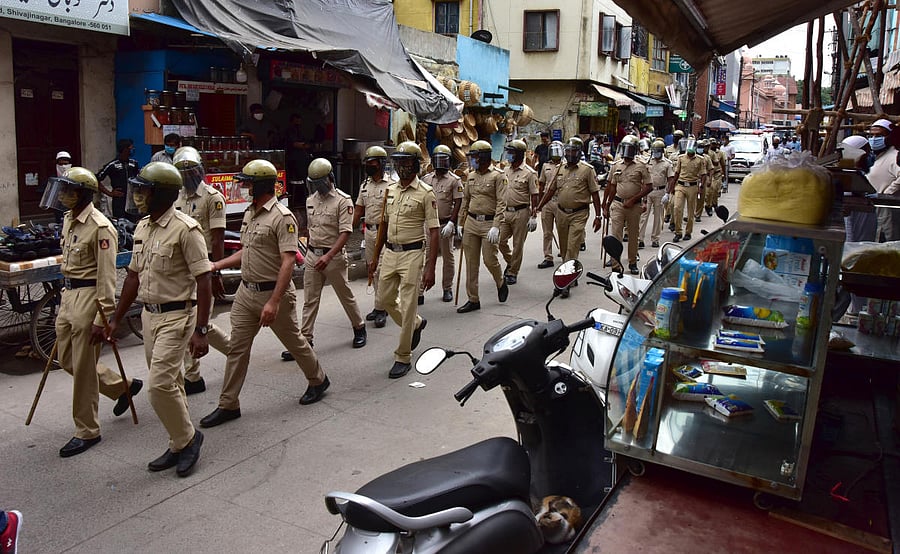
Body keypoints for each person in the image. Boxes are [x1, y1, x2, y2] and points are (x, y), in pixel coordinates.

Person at [201, 159, 331, 428]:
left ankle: (318, 380)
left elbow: (287, 261)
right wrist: (217, 264)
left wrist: (273, 302)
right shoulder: (250, 213)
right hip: (246, 293)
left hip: (274, 295)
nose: (244, 187)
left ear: (260, 185)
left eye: (248, 183)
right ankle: (228, 404)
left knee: (294, 342)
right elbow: (246, 252)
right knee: (237, 348)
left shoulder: (282, 218)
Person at [108, 162, 210, 477]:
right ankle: (178, 440)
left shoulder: (186, 229)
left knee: (158, 386)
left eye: (143, 191)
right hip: (150, 319)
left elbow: (204, 282)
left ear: (162, 194)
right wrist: (116, 318)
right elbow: (133, 277)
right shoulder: (142, 227)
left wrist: (201, 330)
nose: (137, 196)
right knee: (172, 383)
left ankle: (190, 439)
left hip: (178, 316)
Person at [38, 167, 142, 458]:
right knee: (67, 359)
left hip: (88, 298)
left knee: (83, 369)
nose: (64, 195)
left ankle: (87, 430)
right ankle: (123, 387)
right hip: (68, 295)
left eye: (69, 190)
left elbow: (107, 277)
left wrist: (103, 318)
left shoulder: (100, 226)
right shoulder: (69, 219)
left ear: (83, 193)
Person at [370, 142, 439, 378]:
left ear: (416, 164)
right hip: (390, 253)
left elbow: (434, 231)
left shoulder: (425, 193)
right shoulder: (391, 190)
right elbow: (383, 225)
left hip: (412, 254)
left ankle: (403, 355)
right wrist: (375, 256)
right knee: (385, 299)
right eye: (398, 162)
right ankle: (416, 324)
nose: (401, 166)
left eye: (406, 162)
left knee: (408, 305)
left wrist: (431, 268)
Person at [173, 146, 231, 395]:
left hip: (203, 261)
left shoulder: (212, 197)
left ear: (200, 170)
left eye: (190, 170)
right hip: (181, 264)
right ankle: (233, 349)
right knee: (193, 317)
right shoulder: (177, 197)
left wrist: (216, 272)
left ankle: (194, 375)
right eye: (182, 171)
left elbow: (218, 238)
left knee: (193, 317)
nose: (187, 175)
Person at [300, 158, 367, 348]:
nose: (318, 186)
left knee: (344, 294)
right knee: (310, 300)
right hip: (313, 255)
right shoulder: (310, 200)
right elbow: (310, 228)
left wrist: (328, 256)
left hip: (333, 257)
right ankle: (306, 340)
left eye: (320, 182)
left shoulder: (343, 201)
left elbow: (345, 232)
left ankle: (359, 327)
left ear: (329, 178)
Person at [456, 140, 509, 313]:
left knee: (489, 259)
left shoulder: (498, 176)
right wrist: (459, 222)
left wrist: (496, 225)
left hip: (489, 223)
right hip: (471, 222)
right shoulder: (470, 176)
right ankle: (473, 299)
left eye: (476, 157)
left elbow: (502, 202)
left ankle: (500, 281)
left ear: (485, 157)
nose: (473, 160)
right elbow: (465, 200)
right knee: (471, 263)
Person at [536, 137, 602, 271]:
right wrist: (539, 206)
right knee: (564, 247)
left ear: (579, 153)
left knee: (572, 246)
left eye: (573, 152)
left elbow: (595, 194)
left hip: (579, 213)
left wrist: (598, 216)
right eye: (568, 151)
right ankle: (570, 271)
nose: (570, 154)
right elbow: (551, 190)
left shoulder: (587, 170)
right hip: (561, 213)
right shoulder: (560, 168)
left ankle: (567, 277)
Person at [352, 146, 394, 326]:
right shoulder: (364, 186)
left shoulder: (392, 185)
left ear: (381, 164)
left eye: (372, 163)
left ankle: (382, 309)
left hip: (385, 233)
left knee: (383, 271)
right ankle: (379, 306)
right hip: (369, 232)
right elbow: (358, 210)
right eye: (367, 163)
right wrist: (346, 232)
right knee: (372, 269)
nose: (369, 166)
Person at [420, 144, 463, 302]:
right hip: (429, 223)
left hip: (445, 223)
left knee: (448, 257)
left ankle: (447, 288)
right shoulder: (426, 179)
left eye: (444, 160)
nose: (440, 164)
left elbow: (458, 202)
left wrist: (453, 222)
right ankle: (420, 289)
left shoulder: (454, 180)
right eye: (438, 160)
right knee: (425, 255)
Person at [604, 135, 651, 275]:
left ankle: (632, 262)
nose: (627, 152)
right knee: (615, 235)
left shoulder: (641, 166)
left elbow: (648, 186)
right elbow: (612, 186)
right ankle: (615, 263)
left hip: (634, 205)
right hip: (618, 204)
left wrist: (636, 199)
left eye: (630, 149)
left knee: (632, 235)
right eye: (625, 148)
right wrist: (606, 205)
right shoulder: (616, 165)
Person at [499, 140, 538, 285]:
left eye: (512, 153)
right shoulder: (505, 170)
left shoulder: (530, 173)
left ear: (520, 155)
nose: (509, 155)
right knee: (499, 240)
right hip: (505, 212)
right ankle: (511, 262)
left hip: (521, 212)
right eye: (508, 152)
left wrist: (534, 216)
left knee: (518, 245)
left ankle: (513, 272)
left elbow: (534, 195)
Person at [867, 119, 900, 242]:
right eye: (872, 135)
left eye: (879, 135)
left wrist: (887, 193)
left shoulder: (894, 156)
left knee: (888, 241)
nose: (874, 139)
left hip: (888, 209)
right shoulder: (877, 157)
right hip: (875, 209)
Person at [638, 139, 675, 249]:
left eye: (658, 150)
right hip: (648, 191)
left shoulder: (667, 164)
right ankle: (640, 239)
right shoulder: (648, 161)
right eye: (654, 150)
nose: (656, 153)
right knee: (643, 215)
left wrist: (667, 193)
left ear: (662, 151)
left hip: (660, 191)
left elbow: (671, 179)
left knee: (658, 217)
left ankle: (655, 239)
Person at [671, 139, 707, 242]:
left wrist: (701, 187)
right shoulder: (681, 158)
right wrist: (672, 187)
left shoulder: (700, 159)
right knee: (677, 208)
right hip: (681, 185)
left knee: (691, 211)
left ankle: (688, 232)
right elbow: (676, 173)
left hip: (693, 186)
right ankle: (678, 232)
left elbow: (703, 174)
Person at [97, 139, 140, 221]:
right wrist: (109, 193)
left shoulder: (134, 163)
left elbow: (139, 178)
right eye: (131, 148)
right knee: (120, 224)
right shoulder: (112, 165)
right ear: (125, 149)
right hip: (119, 201)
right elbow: (96, 180)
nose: (132, 150)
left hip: (132, 201)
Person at [536, 140, 564, 269]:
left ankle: (565, 255)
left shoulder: (565, 165)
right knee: (547, 232)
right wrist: (539, 203)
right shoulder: (545, 166)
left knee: (562, 230)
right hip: (547, 202)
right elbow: (541, 184)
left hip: (560, 201)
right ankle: (548, 257)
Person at [705, 138, 728, 216]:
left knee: (715, 190)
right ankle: (708, 205)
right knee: (708, 192)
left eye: (714, 144)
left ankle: (714, 204)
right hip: (708, 174)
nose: (713, 145)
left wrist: (724, 174)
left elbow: (723, 164)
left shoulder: (720, 153)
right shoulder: (706, 153)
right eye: (712, 144)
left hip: (717, 174)